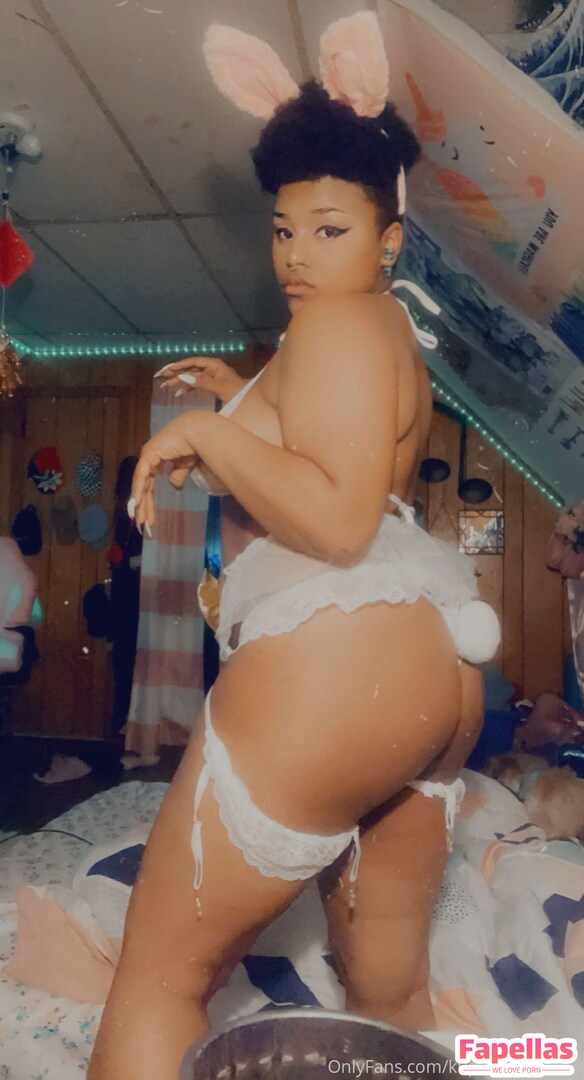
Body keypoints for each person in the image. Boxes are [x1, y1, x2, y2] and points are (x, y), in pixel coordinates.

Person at [89, 13, 500, 1078]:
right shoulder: (383, 338)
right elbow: (334, 455)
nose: (295, 257)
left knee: (157, 982)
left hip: (340, 672)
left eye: (327, 229)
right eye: (282, 232)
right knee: (388, 994)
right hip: (431, 682)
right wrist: (246, 397)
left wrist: (208, 432)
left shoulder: (334, 324)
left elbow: (337, 518)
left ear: (388, 239)